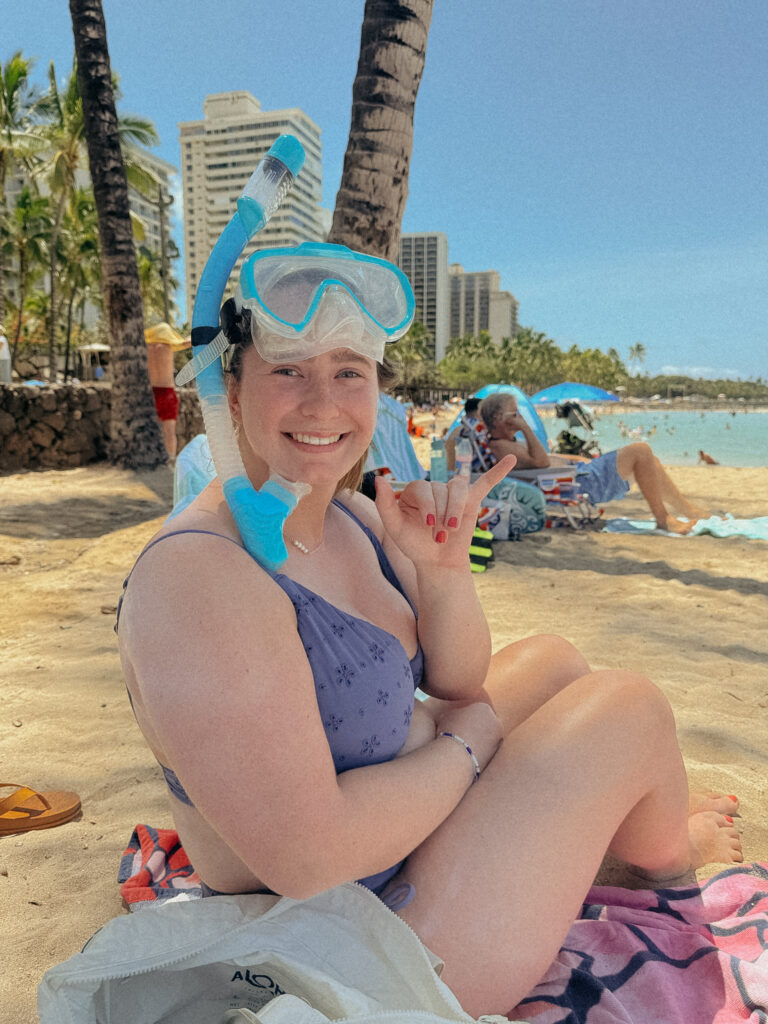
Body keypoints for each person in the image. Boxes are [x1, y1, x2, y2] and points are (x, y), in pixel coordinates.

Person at [117, 246, 741, 1018]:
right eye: (289, 370)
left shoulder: (349, 515)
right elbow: (309, 857)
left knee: (552, 660)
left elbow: (458, 684)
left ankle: (620, 843)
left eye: (350, 371)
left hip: (397, 840)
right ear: (228, 389)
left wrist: (443, 576)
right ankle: (660, 873)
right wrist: (468, 745)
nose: (323, 404)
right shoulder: (198, 578)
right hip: (348, 944)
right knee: (628, 708)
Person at [480, 391, 715, 535]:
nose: (519, 416)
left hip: (579, 473)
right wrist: (525, 428)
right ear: (498, 418)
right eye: (515, 413)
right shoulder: (500, 446)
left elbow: (546, 458)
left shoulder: (509, 442)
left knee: (649, 459)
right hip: (577, 483)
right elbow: (541, 462)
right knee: (641, 450)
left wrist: (578, 459)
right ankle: (663, 519)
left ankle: (685, 509)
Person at [144, 322, 191, 458]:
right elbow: (189, 341)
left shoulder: (145, 347)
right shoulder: (168, 345)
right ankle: (171, 460)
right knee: (169, 432)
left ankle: (152, 460)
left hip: (150, 393)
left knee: (149, 431)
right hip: (167, 392)